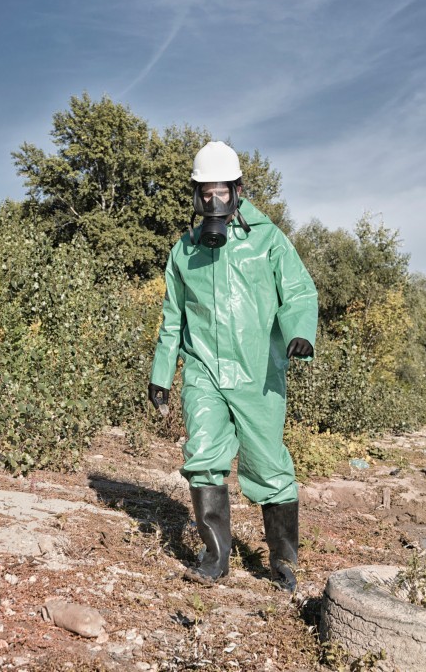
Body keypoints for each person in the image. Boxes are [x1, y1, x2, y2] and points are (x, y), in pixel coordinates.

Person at [147, 140, 318, 591]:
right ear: (196, 194)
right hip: (204, 370)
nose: (215, 201)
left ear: (239, 189)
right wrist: (161, 374)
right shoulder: (184, 251)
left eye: (223, 191)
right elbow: (173, 316)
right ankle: (216, 556)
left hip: (258, 371)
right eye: (206, 192)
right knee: (202, 454)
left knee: (267, 464)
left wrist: (300, 329)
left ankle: (284, 562)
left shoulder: (268, 239)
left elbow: (299, 290)